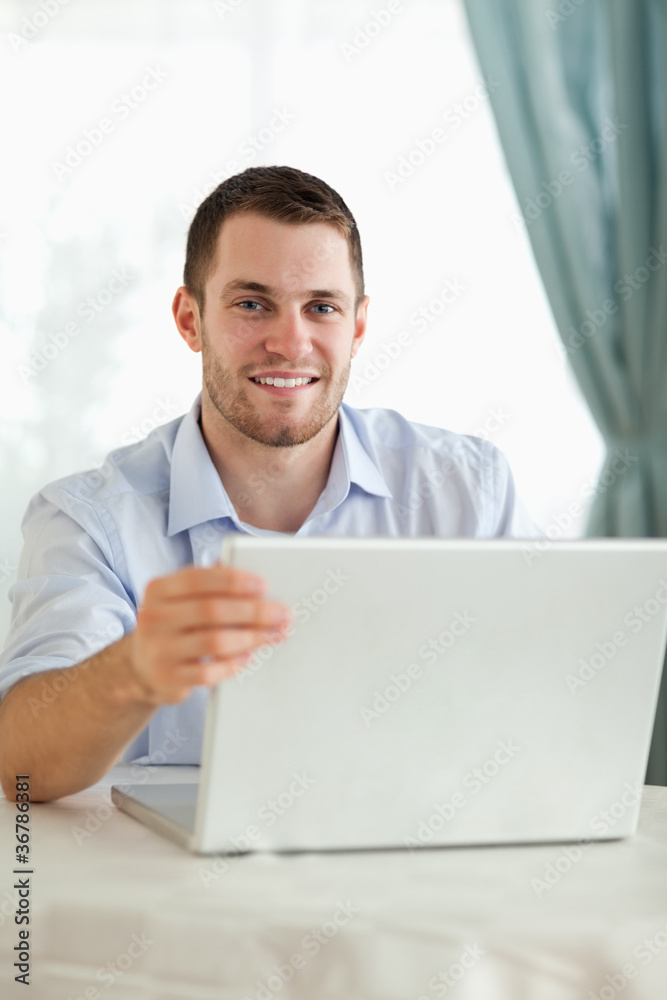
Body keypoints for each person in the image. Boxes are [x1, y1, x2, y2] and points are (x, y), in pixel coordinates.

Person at [0, 165, 539, 802]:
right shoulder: (90, 520)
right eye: (252, 304)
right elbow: (22, 768)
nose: (290, 343)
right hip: (173, 891)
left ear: (358, 327)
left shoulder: (468, 492)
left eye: (322, 307)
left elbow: (551, 702)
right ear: (190, 319)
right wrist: (135, 669)